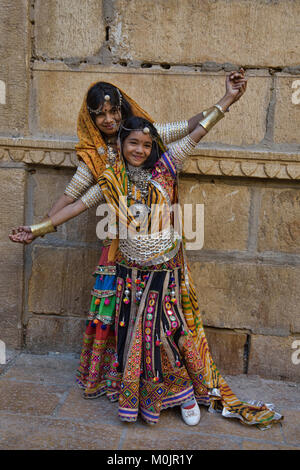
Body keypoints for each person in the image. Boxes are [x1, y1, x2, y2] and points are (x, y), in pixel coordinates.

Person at [9, 75, 283, 428]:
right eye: (130, 142)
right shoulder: (108, 177)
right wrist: (36, 229)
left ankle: (183, 393)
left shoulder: (165, 165)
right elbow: (75, 203)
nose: (137, 148)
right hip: (126, 266)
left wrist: (228, 99)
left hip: (164, 269)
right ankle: (137, 394)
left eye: (144, 143)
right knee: (130, 330)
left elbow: (194, 131)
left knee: (165, 329)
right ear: (116, 138)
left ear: (151, 143)